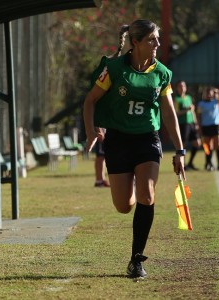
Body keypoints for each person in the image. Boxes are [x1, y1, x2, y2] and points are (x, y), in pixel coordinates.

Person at [83, 19, 185, 279]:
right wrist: (91, 130)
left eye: (158, 39)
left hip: (147, 140)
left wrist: (180, 151)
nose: (158, 44)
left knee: (147, 196)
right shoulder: (114, 69)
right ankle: (129, 205)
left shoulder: (162, 73)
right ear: (136, 42)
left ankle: (136, 260)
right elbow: (90, 100)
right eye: (152, 39)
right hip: (118, 140)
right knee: (124, 206)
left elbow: (169, 112)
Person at [174, 81, 201, 170]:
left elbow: (192, 111)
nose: (182, 88)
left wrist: (195, 122)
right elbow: (176, 113)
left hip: (190, 123)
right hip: (183, 124)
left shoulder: (188, 98)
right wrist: (186, 110)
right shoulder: (177, 99)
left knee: (197, 143)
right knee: (183, 145)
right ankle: (183, 164)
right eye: (180, 86)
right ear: (177, 88)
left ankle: (190, 163)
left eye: (183, 86)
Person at [196, 86, 219, 171]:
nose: (208, 94)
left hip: (215, 125)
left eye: (209, 92)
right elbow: (199, 116)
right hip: (206, 126)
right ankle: (208, 163)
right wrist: (199, 128)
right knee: (207, 146)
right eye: (206, 92)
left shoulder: (216, 101)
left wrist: (218, 91)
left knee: (218, 145)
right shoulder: (201, 104)